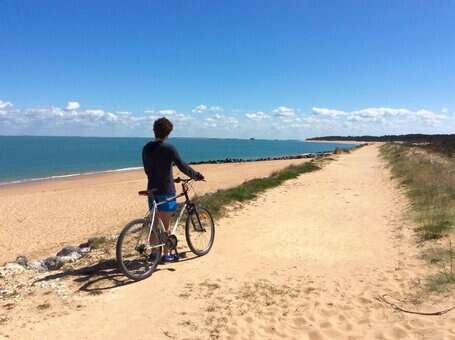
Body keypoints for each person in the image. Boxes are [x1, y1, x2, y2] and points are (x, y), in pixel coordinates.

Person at [142, 117, 204, 262]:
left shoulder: (146, 148)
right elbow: (182, 166)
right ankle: (166, 255)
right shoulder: (169, 148)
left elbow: (147, 169)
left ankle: (153, 253)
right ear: (168, 133)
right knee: (165, 224)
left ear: (154, 130)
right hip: (166, 190)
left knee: (154, 223)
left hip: (152, 189)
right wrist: (196, 175)